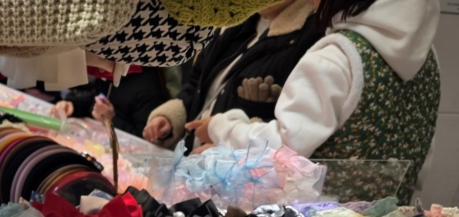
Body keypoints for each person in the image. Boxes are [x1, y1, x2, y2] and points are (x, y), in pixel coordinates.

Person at [149, 0, 441, 203]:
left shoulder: (334, 57)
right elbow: (422, 152)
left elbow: (284, 148)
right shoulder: (428, 61)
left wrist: (222, 128)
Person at [142, 0, 320, 150]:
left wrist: (227, 151)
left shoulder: (309, 40)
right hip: (193, 163)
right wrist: (170, 118)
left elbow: (292, 131)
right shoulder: (231, 23)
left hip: (237, 180)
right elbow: (197, 85)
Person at [52, 67, 174, 137]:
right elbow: (96, 97)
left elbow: (145, 137)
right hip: (99, 140)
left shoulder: (149, 89)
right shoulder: (113, 70)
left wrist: (111, 121)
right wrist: (73, 105)